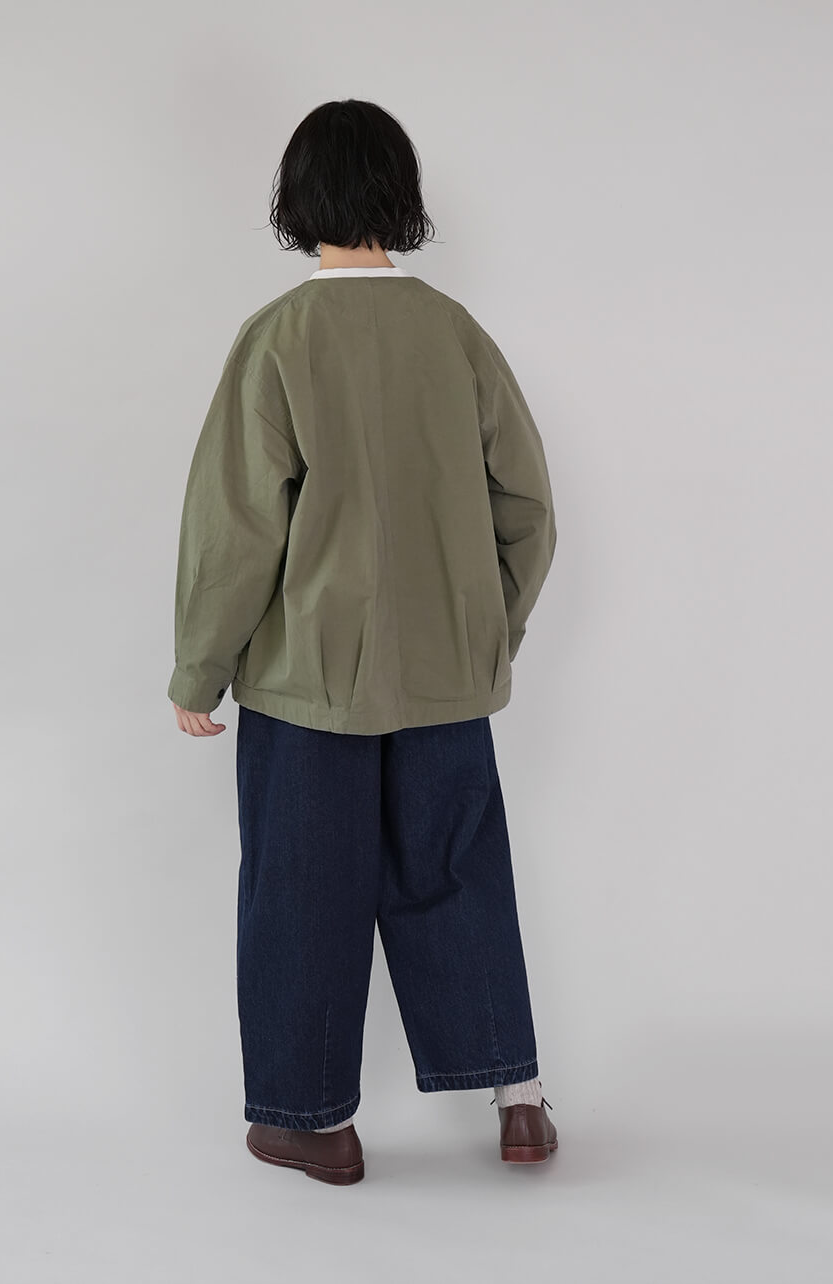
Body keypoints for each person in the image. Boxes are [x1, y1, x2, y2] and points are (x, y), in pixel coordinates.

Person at [168, 99, 558, 1186]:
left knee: (300, 891)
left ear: (296, 201)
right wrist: (486, 629)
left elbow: (236, 527)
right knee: (458, 873)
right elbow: (527, 507)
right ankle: (519, 1102)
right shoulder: (454, 333)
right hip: (446, 679)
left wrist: (200, 668)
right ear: (401, 196)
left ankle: (312, 1124)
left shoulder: (279, 338)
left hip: (307, 686)